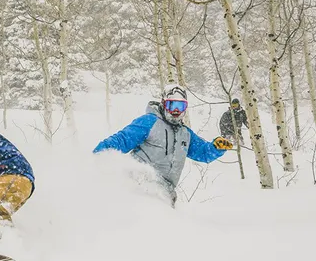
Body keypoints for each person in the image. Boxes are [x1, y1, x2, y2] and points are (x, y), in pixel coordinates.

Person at [92, 84, 233, 206]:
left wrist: (216, 148)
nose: (176, 111)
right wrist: (99, 154)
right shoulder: (149, 122)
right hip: (139, 187)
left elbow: (202, 152)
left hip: (165, 194)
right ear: (164, 104)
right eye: (172, 105)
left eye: (181, 106)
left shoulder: (185, 134)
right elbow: (122, 140)